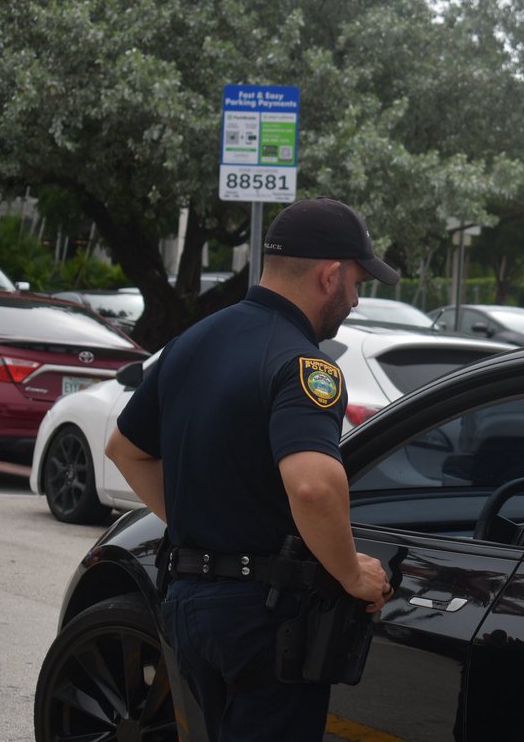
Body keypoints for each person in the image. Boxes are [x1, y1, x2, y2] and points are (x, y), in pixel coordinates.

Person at [105, 197, 398, 741]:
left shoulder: (192, 342)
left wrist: (203, 527)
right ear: (330, 276)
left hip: (188, 602)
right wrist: (352, 574)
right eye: (358, 282)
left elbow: (125, 447)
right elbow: (312, 485)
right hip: (264, 616)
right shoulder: (305, 364)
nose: (357, 299)